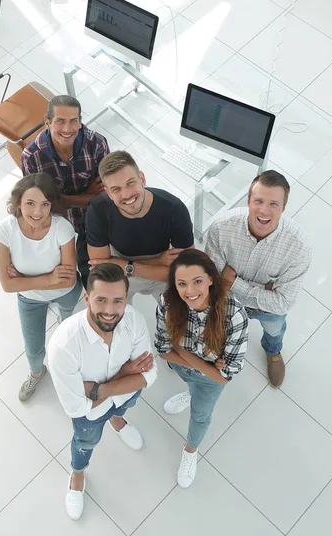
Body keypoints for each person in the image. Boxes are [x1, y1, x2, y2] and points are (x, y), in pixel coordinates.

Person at [47, 263, 157, 521]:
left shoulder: (133, 319)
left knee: (123, 406)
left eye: (118, 300)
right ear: (87, 298)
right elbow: (78, 408)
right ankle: (77, 473)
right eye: (101, 300)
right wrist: (126, 373)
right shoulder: (63, 347)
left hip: (120, 397)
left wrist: (98, 389)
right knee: (85, 443)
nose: (110, 310)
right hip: (89, 415)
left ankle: (117, 421)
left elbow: (149, 375)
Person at [205, 170, 311, 388]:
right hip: (226, 300)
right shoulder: (221, 228)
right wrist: (265, 289)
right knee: (220, 329)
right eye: (259, 201)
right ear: (248, 201)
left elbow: (283, 302)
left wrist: (233, 282)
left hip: (266, 310)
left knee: (274, 330)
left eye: (273, 204)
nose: (264, 210)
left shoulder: (298, 247)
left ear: (283, 207)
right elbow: (213, 279)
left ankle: (273, 351)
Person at [155, 249, 248, 488]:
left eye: (197, 281)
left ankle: (190, 450)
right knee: (190, 379)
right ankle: (190, 392)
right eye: (182, 284)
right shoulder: (167, 303)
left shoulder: (234, 315)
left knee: (200, 416)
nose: (190, 291)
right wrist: (206, 365)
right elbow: (163, 349)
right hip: (184, 369)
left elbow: (224, 377)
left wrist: (183, 352)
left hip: (209, 381)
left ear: (210, 279)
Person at [0, 173, 82, 402]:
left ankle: (63, 319)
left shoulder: (63, 228)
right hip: (29, 299)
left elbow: (69, 280)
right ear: (18, 203)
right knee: (33, 350)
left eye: (45, 204)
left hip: (65, 293)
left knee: (66, 316)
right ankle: (37, 372)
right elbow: (7, 285)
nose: (37, 213)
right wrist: (51, 278)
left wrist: (23, 277)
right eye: (30, 204)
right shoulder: (4, 231)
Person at [21, 95, 110, 288]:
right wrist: (87, 195)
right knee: (54, 269)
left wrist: (59, 198)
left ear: (80, 123)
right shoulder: (32, 157)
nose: (67, 129)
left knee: (96, 270)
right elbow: (40, 205)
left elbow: (105, 196)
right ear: (47, 122)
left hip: (93, 216)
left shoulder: (97, 145)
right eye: (60, 121)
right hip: (54, 219)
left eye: (73, 121)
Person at [86, 151, 194, 302]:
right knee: (114, 321)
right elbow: (104, 270)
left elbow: (187, 272)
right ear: (108, 193)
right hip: (120, 278)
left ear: (142, 179)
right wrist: (157, 262)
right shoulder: (97, 211)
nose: (126, 194)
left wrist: (127, 266)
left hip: (158, 278)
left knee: (179, 322)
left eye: (130, 183)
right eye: (116, 189)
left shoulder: (174, 209)